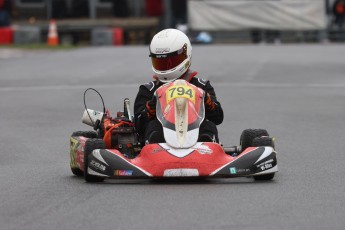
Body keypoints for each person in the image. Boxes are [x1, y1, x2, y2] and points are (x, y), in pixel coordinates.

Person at [134, 28, 223, 145]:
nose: (166, 66)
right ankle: (156, 154)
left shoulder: (201, 86)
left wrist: (207, 101)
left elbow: (218, 118)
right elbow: (137, 125)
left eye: (170, 61)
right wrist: (149, 110)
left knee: (209, 127)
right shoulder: (148, 90)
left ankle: (207, 153)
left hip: (195, 138)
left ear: (185, 53)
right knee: (153, 127)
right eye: (161, 62)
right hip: (161, 143)